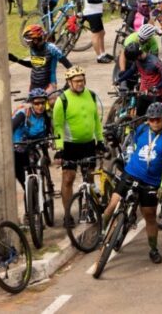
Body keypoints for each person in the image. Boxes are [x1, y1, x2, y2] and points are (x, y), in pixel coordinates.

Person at [106, 101, 162, 264]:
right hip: (131, 172)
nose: (155, 123)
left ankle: (153, 249)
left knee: (149, 216)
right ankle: (102, 234)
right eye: (152, 120)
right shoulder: (142, 129)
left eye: (158, 120)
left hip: (152, 181)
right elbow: (136, 145)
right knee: (112, 204)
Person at [53, 66, 103, 229]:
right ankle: (68, 215)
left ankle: (88, 209)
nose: (80, 84)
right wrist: (59, 148)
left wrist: (100, 140)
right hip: (70, 145)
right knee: (68, 178)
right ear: (69, 82)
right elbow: (58, 126)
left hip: (88, 144)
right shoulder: (62, 100)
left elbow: (96, 120)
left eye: (82, 80)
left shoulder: (92, 96)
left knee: (89, 178)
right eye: (76, 81)